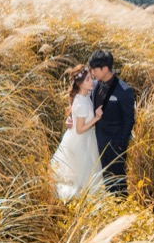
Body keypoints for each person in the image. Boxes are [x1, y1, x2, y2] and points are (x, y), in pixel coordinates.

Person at [51, 65, 104, 201]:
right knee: (82, 173)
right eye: (88, 80)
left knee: (85, 173)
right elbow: (80, 129)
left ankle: (84, 201)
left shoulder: (84, 96)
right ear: (80, 84)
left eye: (91, 78)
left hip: (85, 139)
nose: (92, 81)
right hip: (80, 141)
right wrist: (96, 118)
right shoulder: (81, 102)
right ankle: (80, 202)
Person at [88, 50, 135, 196]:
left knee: (118, 180)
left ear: (105, 69)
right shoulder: (94, 86)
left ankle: (122, 208)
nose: (92, 72)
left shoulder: (125, 90)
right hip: (98, 140)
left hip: (116, 144)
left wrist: (120, 143)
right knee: (104, 179)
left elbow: (129, 120)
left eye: (94, 69)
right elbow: (86, 104)